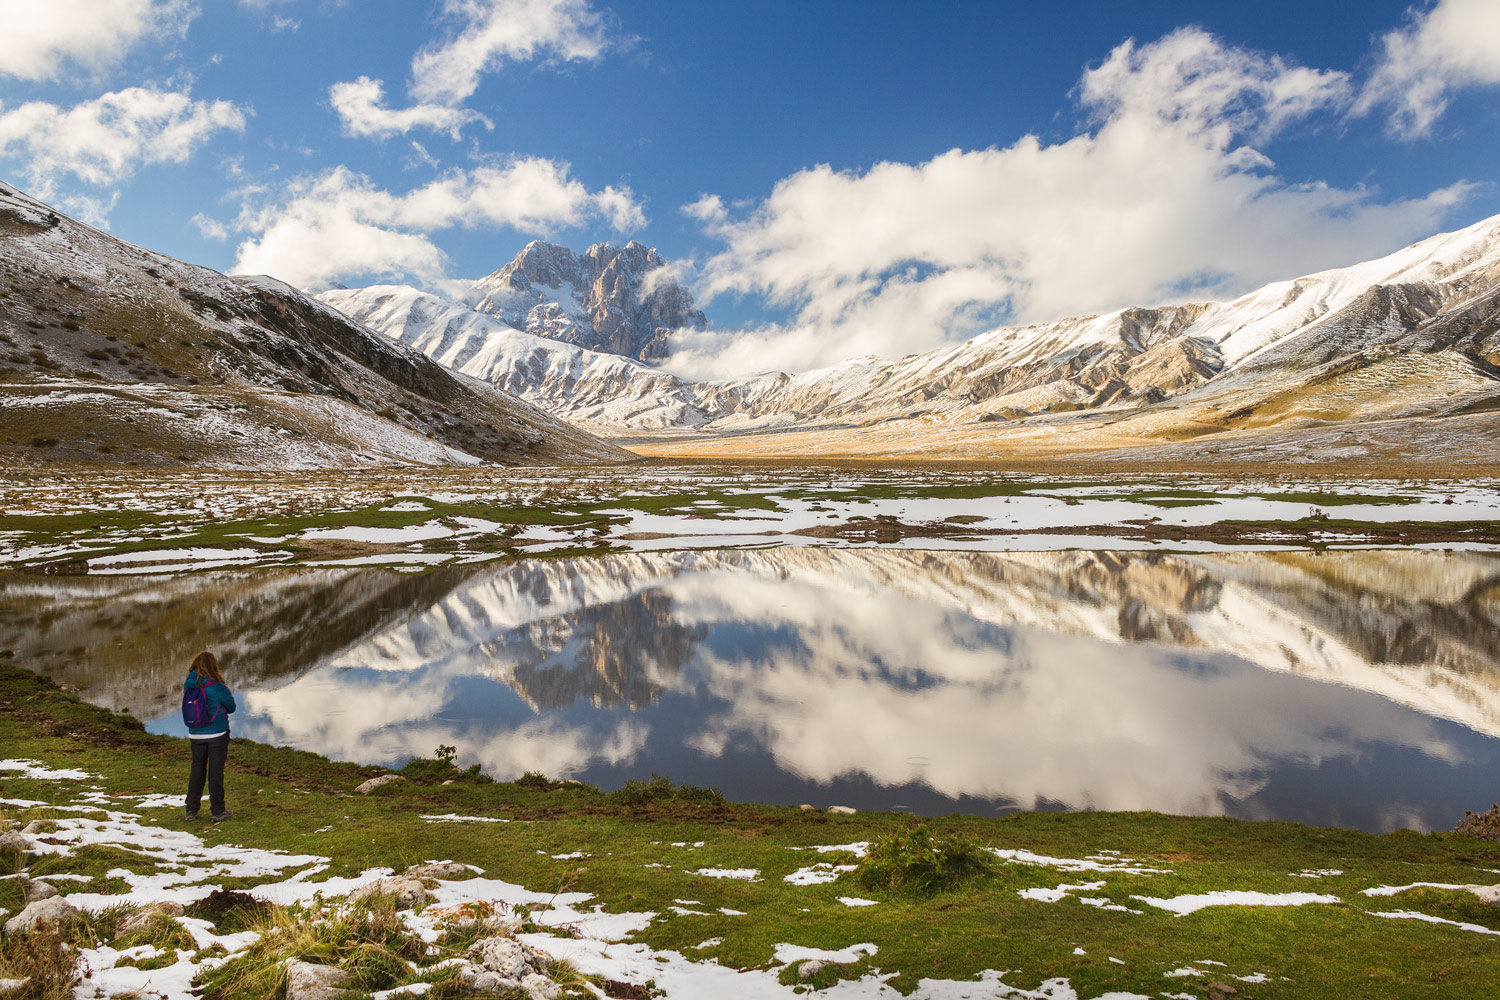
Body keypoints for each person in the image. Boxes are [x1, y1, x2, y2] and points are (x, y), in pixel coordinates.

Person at [184, 651, 235, 822]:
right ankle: (218, 810)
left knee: (197, 770)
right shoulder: (218, 686)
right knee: (215, 772)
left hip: (195, 733)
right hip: (217, 734)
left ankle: (191, 810)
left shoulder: (189, 685)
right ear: (213, 666)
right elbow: (231, 707)